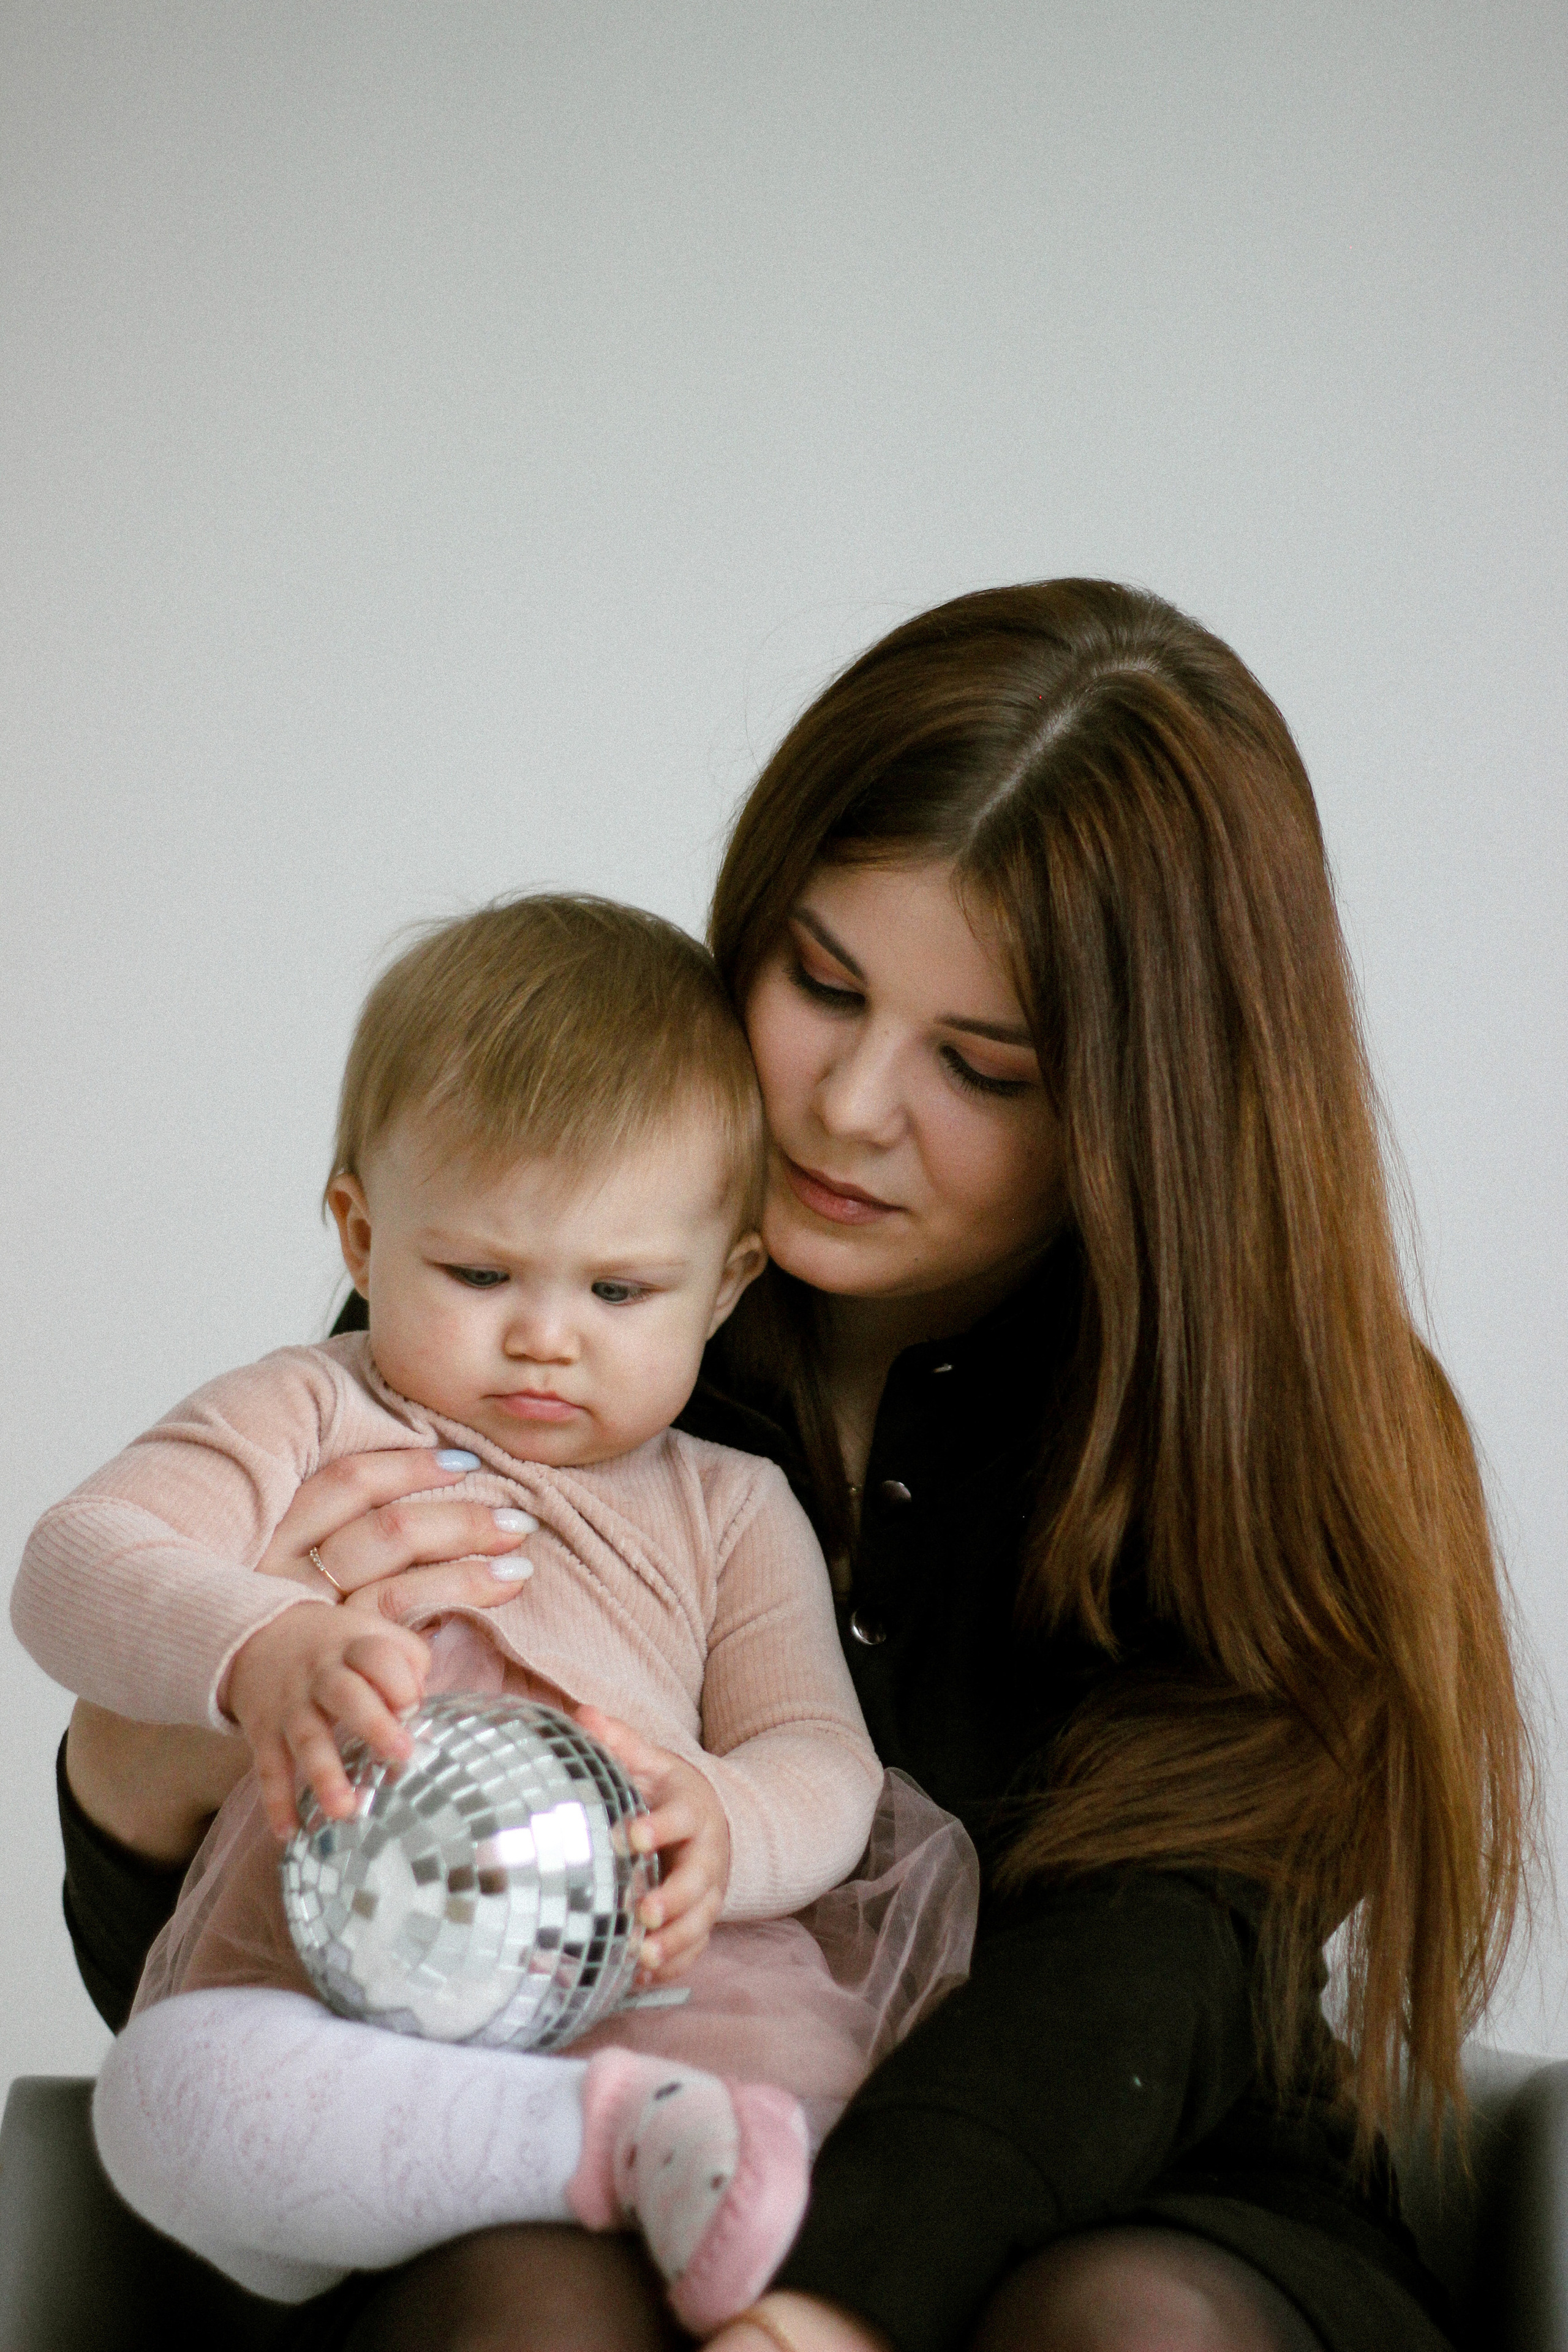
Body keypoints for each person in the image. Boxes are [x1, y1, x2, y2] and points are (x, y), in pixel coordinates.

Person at [47, 580, 1530, 2352]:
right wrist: (139, 1776)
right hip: (586, 2124)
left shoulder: (1284, 1429)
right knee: (527, 2297)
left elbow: (1148, 1969)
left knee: (1124, 2327)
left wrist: (841, 2297)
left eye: (981, 1066)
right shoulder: (536, 1323)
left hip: (1126, 2164)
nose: (844, 1106)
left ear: (1152, 1108)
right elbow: (269, 1998)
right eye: (820, 983)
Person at [15, 895, 973, 2336]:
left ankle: (646, 2143)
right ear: (358, 1227)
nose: (545, 1333)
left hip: (659, 1990)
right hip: (342, 2006)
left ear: (725, 1287)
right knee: (163, 2102)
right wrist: (261, 1642)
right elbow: (73, 1562)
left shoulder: (730, 1507)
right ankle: (577, 2145)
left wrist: (717, 1817)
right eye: (478, 1274)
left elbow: (819, 1764)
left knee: (809, 2135)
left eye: (619, 1288)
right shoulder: (312, 1406)